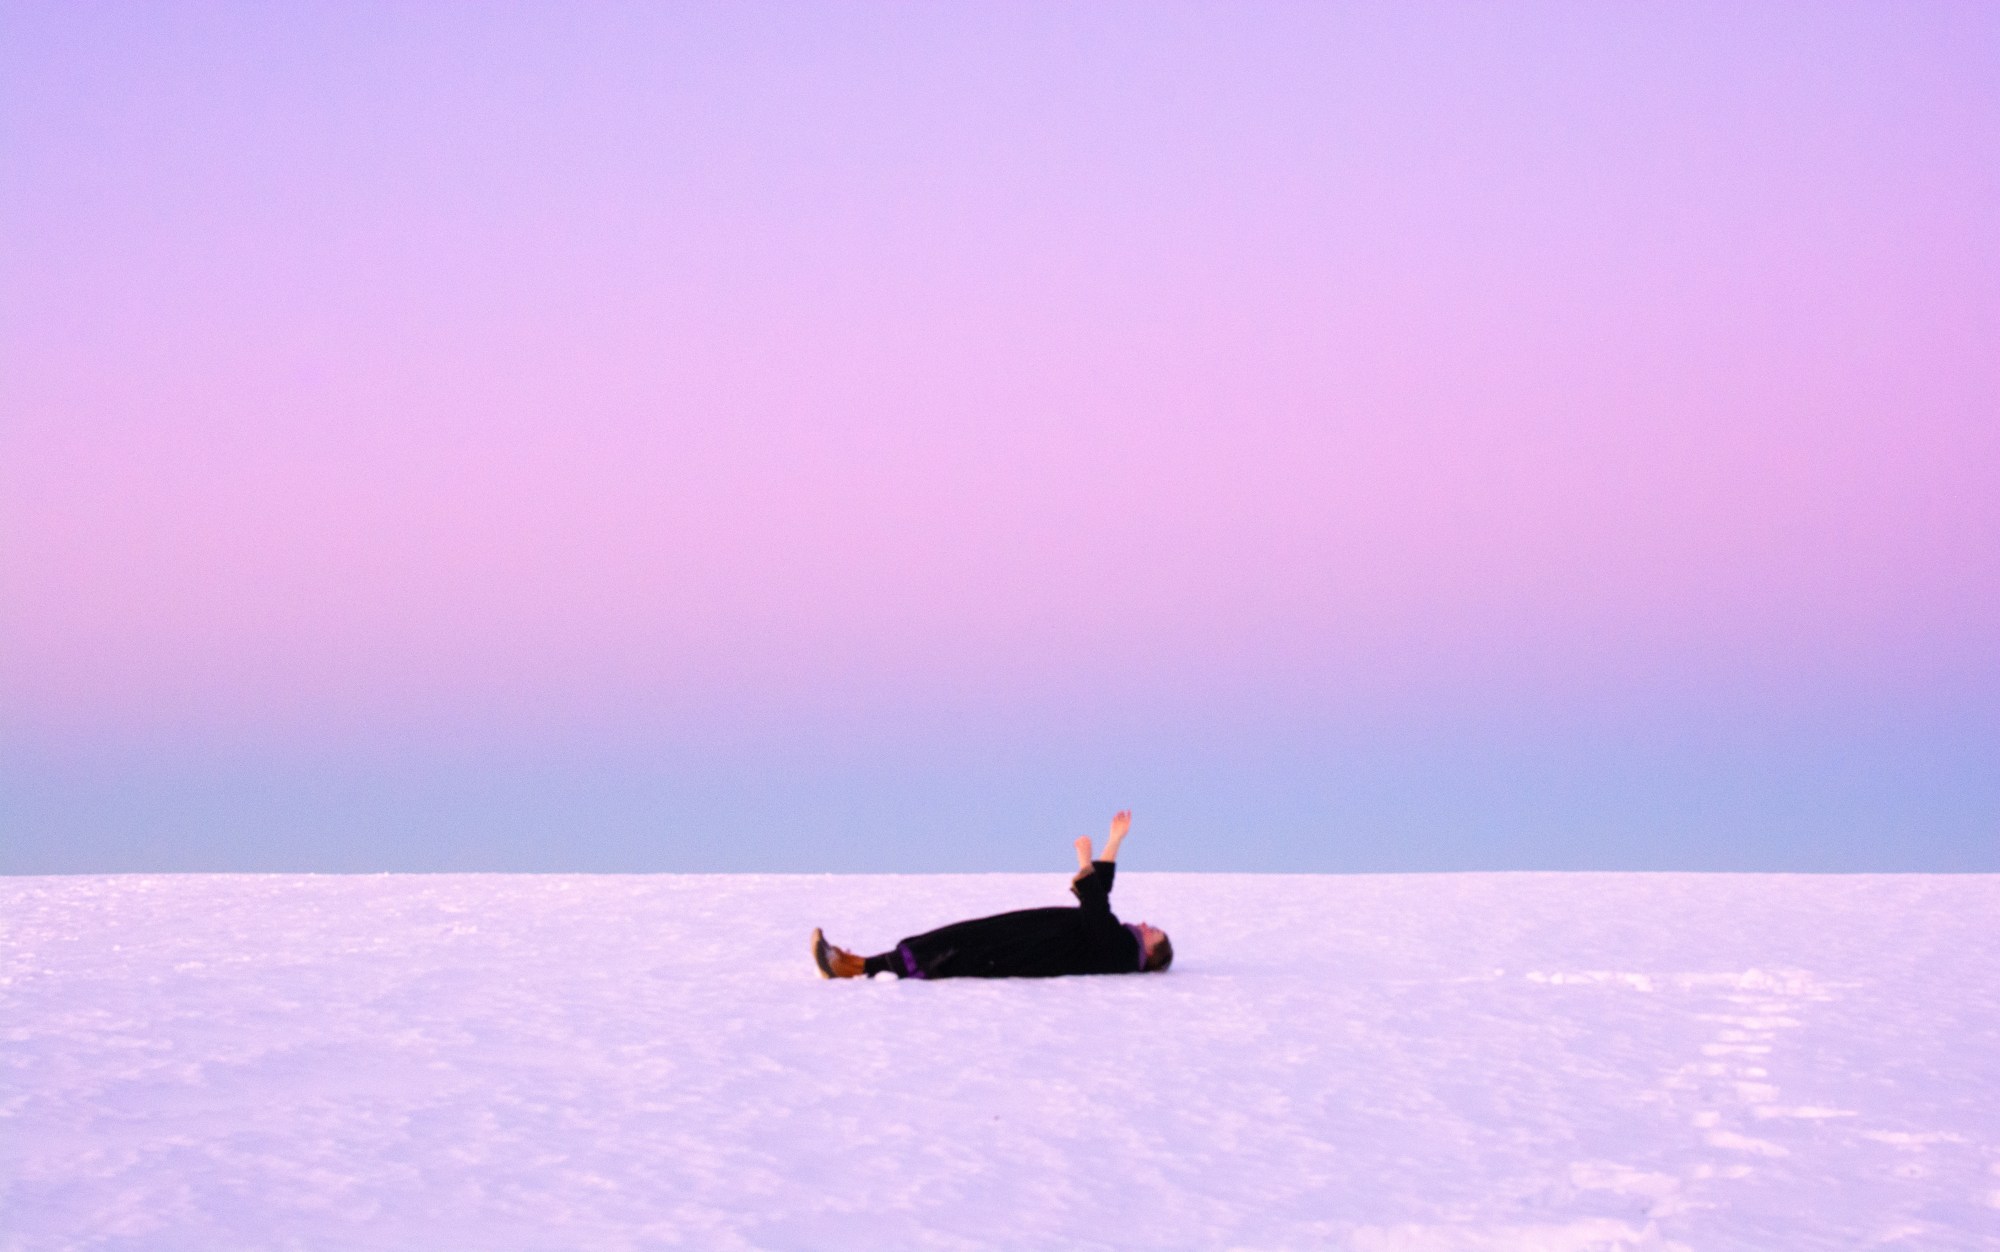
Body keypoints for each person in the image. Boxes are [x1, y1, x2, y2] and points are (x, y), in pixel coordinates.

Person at [812, 810, 1173, 979]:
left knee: (956, 951)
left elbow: (1096, 908)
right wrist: (1114, 841)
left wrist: (1084, 860)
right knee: (953, 938)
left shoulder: (1123, 953)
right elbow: (1101, 902)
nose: (1144, 924)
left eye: (1152, 930)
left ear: (1151, 952)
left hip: (1027, 950)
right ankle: (862, 963)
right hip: (1027, 936)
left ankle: (855, 966)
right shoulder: (1120, 945)